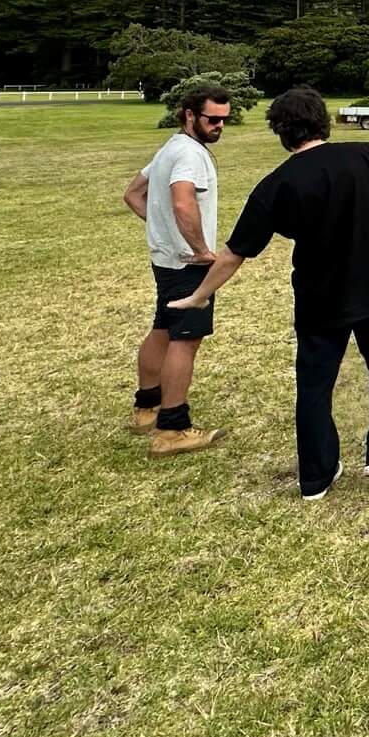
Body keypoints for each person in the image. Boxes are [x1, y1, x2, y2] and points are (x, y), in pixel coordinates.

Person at [168, 87, 369, 499]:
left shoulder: (276, 184)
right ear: (323, 122)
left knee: (316, 384)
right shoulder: (366, 154)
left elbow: (235, 253)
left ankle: (316, 477)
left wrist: (199, 295)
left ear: (282, 133)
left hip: (320, 298)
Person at [121, 83, 232, 457]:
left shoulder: (171, 147)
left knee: (163, 328)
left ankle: (146, 408)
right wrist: (201, 250)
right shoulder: (190, 155)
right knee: (185, 339)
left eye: (223, 120)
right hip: (188, 265)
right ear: (189, 115)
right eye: (212, 119)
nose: (219, 126)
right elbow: (183, 201)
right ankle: (172, 428)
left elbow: (133, 194)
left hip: (166, 260)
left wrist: (161, 229)